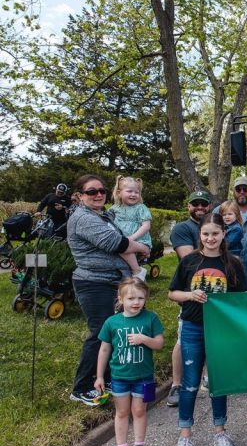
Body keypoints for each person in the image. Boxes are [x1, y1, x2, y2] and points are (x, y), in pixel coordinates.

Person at [168, 213, 247, 446]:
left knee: (217, 381)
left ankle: (220, 432)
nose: (210, 238)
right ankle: (185, 436)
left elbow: (240, 299)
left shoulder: (233, 263)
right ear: (199, 236)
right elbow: (172, 293)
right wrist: (190, 295)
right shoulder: (189, 261)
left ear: (224, 233)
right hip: (192, 326)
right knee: (190, 383)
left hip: (221, 330)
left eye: (215, 233)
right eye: (206, 234)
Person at [67, 174, 151, 406]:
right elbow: (117, 243)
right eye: (91, 191)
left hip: (114, 282)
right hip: (94, 283)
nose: (98, 195)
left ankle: (109, 378)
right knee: (100, 333)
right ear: (80, 196)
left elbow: (121, 238)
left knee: (115, 333)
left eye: (101, 190)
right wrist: (142, 247)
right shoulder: (83, 218)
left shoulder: (102, 216)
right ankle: (82, 387)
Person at [95, 278, 164, 446]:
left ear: (146, 298)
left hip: (144, 377)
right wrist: (100, 376)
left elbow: (159, 343)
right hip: (119, 378)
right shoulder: (112, 322)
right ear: (120, 298)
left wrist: (144, 339)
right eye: (131, 298)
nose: (136, 302)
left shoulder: (150, 318)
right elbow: (104, 350)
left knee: (140, 411)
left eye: (140, 298)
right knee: (122, 412)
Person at [166, 189, 213, 408]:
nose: (200, 207)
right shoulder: (182, 228)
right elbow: (189, 259)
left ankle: (206, 376)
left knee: (210, 336)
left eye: (204, 204)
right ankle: (176, 384)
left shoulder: (215, 224)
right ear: (189, 206)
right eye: (196, 204)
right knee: (182, 339)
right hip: (190, 290)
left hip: (215, 289)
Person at [109, 176, 152, 280]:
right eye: (129, 191)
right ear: (119, 193)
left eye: (136, 192)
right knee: (119, 247)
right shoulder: (114, 209)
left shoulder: (140, 208)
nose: (133, 194)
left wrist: (131, 238)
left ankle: (137, 271)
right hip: (124, 240)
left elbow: (146, 226)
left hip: (140, 240)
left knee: (122, 246)